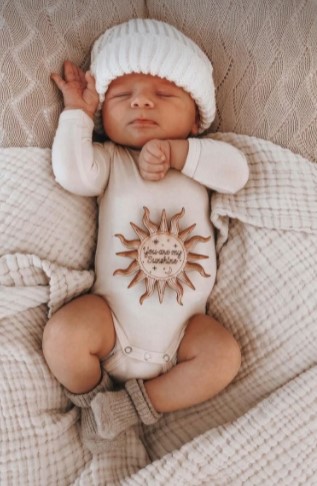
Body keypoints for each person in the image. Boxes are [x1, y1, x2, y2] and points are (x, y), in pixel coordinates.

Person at [43, 19, 249, 452]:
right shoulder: (111, 161)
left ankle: (135, 409)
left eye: (164, 94)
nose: (141, 102)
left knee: (224, 356)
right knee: (64, 337)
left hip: (184, 338)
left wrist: (180, 154)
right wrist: (77, 114)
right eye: (122, 96)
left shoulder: (200, 163)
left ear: (196, 119)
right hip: (112, 326)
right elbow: (71, 174)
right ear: (105, 116)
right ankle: (98, 401)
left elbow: (237, 172)